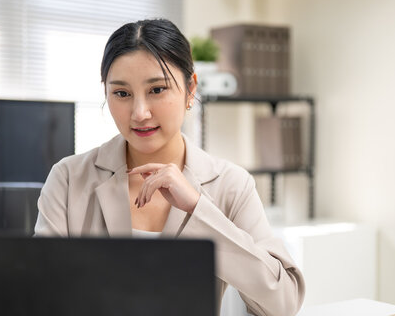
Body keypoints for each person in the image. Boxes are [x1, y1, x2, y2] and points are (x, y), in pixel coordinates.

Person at [34, 18, 305, 316]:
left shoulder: (231, 184)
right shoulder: (69, 178)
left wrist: (198, 208)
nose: (139, 113)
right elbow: (38, 295)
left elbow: (283, 304)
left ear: (190, 89)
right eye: (122, 93)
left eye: (157, 90)